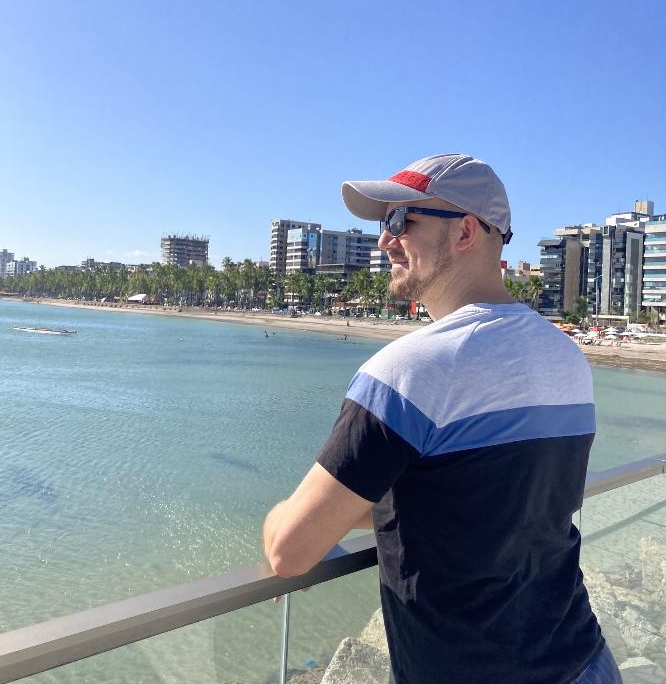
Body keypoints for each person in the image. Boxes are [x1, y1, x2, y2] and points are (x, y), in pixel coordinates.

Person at [263, 153, 620, 684]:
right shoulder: (562, 354)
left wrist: (282, 511)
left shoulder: (410, 370)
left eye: (400, 220)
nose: (386, 240)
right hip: (584, 660)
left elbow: (290, 550)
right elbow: (491, 503)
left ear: (466, 233)